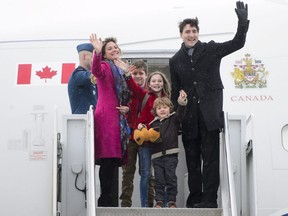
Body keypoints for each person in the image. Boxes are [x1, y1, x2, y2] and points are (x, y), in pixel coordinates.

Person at [169, 1, 249, 208]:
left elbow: (237, 43)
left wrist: (242, 22)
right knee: (193, 163)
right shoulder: (175, 60)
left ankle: (209, 200)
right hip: (189, 120)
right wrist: (178, 105)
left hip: (210, 117)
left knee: (211, 161)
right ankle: (195, 198)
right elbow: (174, 92)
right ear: (181, 34)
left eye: (194, 31)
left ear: (198, 33)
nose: (191, 35)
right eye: (187, 31)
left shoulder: (211, 49)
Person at [117, 66, 171, 207]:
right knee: (136, 173)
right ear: (150, 82)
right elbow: (134, 88)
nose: (157, 83)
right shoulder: (145, 95)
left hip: (159, 141)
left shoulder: (167, 100)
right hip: (138, 138)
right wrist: (128, 74)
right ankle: (131, 205)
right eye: (154, 81)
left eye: (159, 81)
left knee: (157, 174)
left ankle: (154, 203)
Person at [89, 34, 131, 207]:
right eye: (110, 48)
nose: (114, 50)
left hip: (116, 117)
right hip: (106, 117)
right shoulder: (105, 65)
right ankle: (105, 199)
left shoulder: (119, 68)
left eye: (115, 47)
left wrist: (127, 107)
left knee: (113, 160)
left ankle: (109, 199)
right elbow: (95, 71)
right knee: (107, 159)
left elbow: (127, 94)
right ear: (105, 54)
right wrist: (97, 53)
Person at [135, 90, 188, 208]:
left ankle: (171, 201)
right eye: (159, 108)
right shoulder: (153, 123)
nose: (162, 110)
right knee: (159, 179)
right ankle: (158, 201)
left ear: (170, 109)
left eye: (165, 107)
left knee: (171, 178)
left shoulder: (174, 119)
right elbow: (147, 135)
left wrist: (182, 101)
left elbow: (181, 113)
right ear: (155, 111)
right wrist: (141, 128)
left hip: (170, 154)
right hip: (157, 155)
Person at [119, 60, 155, 207]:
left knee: (147, 173)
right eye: (135, 73)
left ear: (146, 75)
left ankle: (149, 204)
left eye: (141, 73)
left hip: (146, 137)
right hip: (129, 136)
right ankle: (125, 205)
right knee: (127, 172)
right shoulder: (124, 92)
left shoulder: (151, 93)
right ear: (130, 74)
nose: (138, 76)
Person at [68, 43, 97, 114]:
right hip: (83, 122)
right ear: (84, 57)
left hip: (91, 121)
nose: (96, 61)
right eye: (94, 57)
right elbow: (95, 75)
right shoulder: (77, 75)